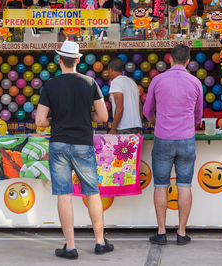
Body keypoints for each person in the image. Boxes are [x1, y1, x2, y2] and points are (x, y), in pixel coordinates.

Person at [35, 40, 114, 259]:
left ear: (59, 61)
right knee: (92, 192)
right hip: (83, 144)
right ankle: (100, 242)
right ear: (78, 60)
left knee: (64, 195)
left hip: (59, 144)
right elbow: (104, 117)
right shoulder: (90, 83)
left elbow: (40, 121)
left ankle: (70, 247)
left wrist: (58, 117)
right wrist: (84, 116)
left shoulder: (50, 85)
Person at [143, 44, 203, 245]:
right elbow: (198, 116)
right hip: (186, 140)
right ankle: (181, 232)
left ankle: (161, 232)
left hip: (163, 139)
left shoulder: (158, 80)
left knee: (161, 185)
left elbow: (147, 111)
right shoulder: (195, 82)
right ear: (188, 61)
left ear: (169, 59)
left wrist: (155, 119)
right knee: (184, 185)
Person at [108, 57, 142, 134]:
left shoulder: (116, 82)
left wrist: (113, 129)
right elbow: (139, 107)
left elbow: (119, 108)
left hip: (123, 128)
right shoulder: (132, 82)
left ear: (110, 69)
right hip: (136, 127)